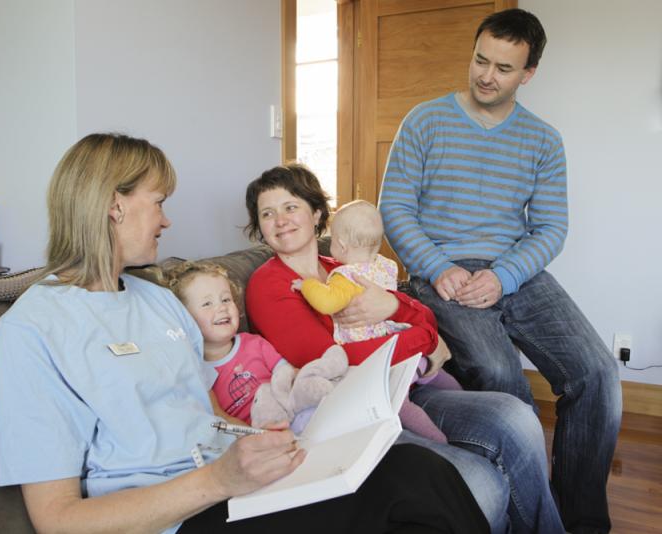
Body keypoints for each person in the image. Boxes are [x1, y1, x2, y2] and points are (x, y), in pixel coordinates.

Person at [0, 133, 491, 534]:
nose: (167, 220)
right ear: (113, 205)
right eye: (159, 202)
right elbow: (56, 519)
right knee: (415, 489)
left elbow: (205, 413)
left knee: (418, 473)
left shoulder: (159, 301)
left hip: (235, 482)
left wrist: (275, 438)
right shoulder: (33, 329)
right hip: (180, 515)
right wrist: (219, 479)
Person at [378, 8, 621, 533]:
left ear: (528, 73)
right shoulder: (424, 120)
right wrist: (436, 266)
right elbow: (395, 207)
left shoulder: (543, 140)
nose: (487, 76)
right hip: (443, 271)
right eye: (480, 60)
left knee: (598, 373)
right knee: (496, 372)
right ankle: (526, 514)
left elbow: (552, 227)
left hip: (516, 272)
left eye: (504, 68)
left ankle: (579, 521)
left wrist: (505, 276)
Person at [244, 162, 565, 534]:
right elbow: (335, 360)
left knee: (516, 416)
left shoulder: (342, 266)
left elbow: (421, 314)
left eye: (290, 207)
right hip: (355, 413)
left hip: (404, 388)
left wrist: (394, 307)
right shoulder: (269, 284)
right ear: (260, 228)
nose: (280, 220)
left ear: (316, 212)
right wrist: (427, 341)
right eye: (267, 213)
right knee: (480, 482)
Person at [293, 199, 462, 443]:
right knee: (433, 372)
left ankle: (439, 440)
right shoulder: (385, 266)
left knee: (400, 406)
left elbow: (326, 303)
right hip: (406, 346)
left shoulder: (345, 276)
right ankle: (457, 391)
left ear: (340, 245)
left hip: (386, 358)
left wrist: (307, 284)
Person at [167, 260, 348, 433]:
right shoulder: (196, 371)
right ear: (185, 320)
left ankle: (331, 371)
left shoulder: (254, 343)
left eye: (226, 299)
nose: (222, 308)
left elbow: (288, 374)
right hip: (257, 432)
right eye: (207, 303)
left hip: (287, 406)